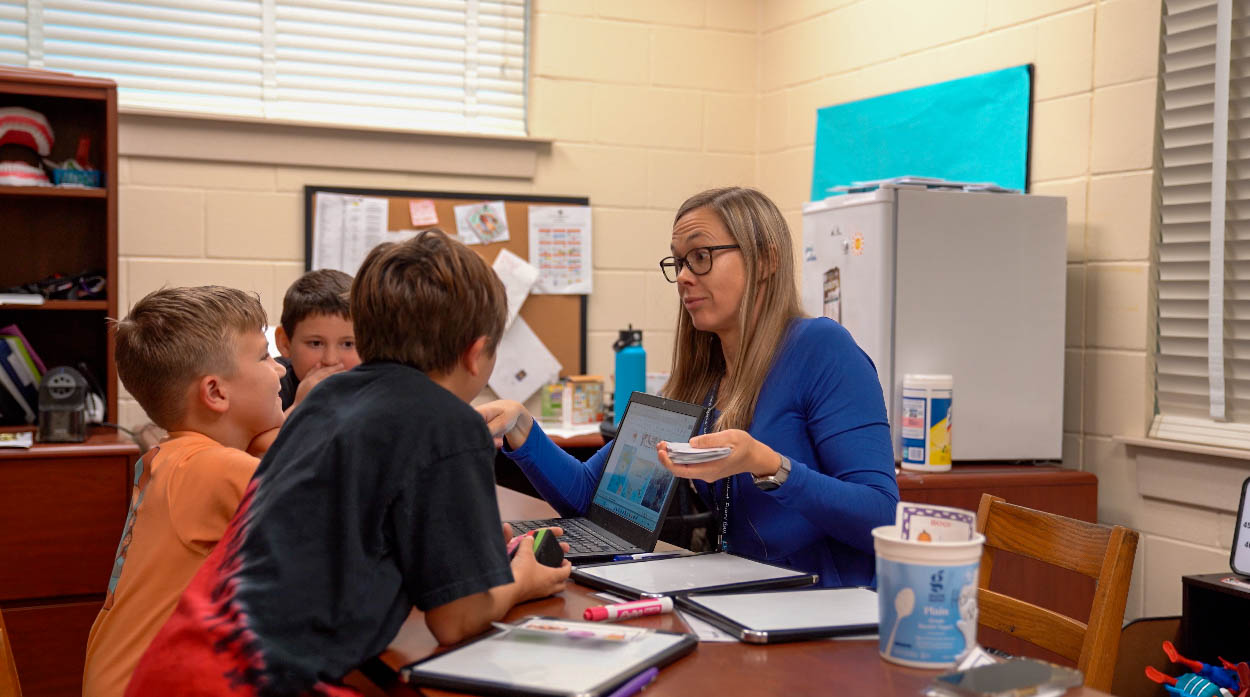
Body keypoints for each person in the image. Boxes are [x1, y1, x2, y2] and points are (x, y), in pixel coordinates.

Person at [125, 230, 571, 697]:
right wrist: (521, 580)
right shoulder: (448, 422)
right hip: (247, 684)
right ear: (477, 354)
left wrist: (462, 559)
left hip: (174, 666)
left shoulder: (325, 397)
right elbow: (456, 622)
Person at [479, 187, 899, 588]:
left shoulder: (821, 349)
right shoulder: (704, 380)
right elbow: (591, 496)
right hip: (743, 597)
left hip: (823, 615)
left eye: (701, 257)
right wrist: (522, 428)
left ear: (766, 260)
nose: (683, 277)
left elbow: (882, 516)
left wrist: (769, 465)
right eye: (678, 262)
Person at [83, 286, 286, 697]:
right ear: (215, 392)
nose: (280, 370)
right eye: (264, 357)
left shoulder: (171, 457)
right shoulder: (214, 468)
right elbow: (331, 522)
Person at [274, 268, 360, 412]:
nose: (331, 360)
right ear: (285, 343)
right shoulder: (273, 383)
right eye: (316, 343)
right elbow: (256, 435)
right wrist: (299, 407)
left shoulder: (375, 386)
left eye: (348, 344)